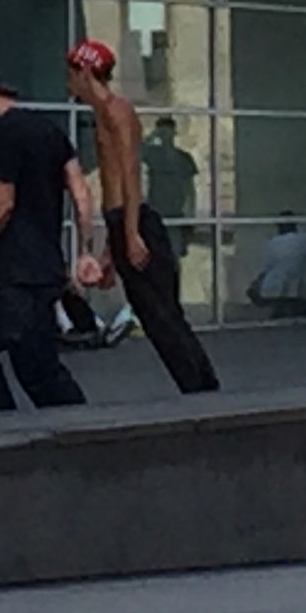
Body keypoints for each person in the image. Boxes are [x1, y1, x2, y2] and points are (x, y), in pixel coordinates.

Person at [0, 52, 102, 413]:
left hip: (14, 268)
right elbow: (80, 192)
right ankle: (49, 428)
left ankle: (76, 432)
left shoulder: (5, 130)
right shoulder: (49, 129)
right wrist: (85, 250)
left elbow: (3, 203)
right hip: (43, 264)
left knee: (13, 362)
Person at [63, 38, 220, 394]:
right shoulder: (102, 115)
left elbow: (132, 173)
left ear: (86, 72)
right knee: (155, 314)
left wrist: (132, 233)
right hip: (124, 221)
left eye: (72, 74)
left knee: (161, 315)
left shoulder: (116, 111)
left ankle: (200, 387)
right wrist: (110, 252)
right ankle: (198, 385)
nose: (69, 83)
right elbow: (114, 186)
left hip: (134, 222)